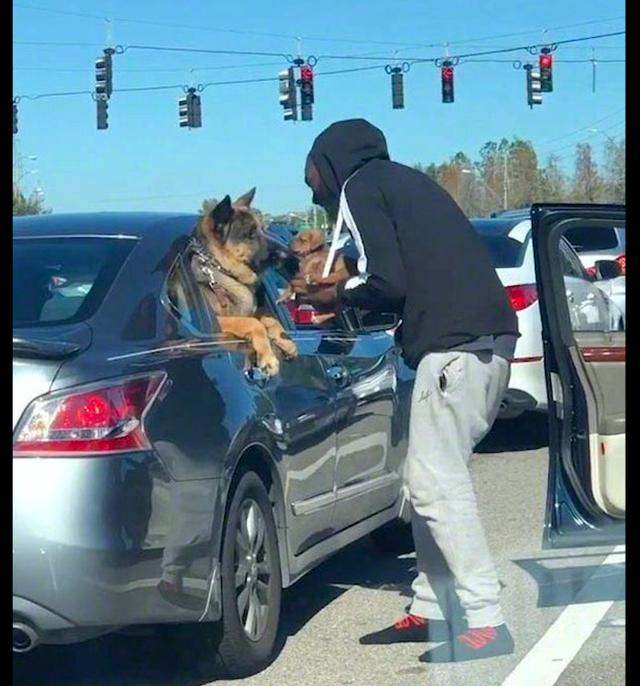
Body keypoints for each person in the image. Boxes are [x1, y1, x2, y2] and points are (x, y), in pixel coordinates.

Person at [299, 119, 520, 663]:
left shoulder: (359, 186)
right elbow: (406, 277)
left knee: (433, 482)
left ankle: (487, 618)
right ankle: (432, 605)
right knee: (426, 476)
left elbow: (386, 282)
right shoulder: (406, 182)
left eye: (313, 183)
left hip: (455, 350)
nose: (315, 195)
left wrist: (337, 296)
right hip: (484, 345)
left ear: (328, 165)